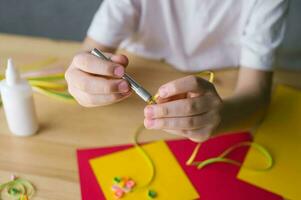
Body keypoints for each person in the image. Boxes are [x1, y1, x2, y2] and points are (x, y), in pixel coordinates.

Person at [65, 0, 288, 142]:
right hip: (125, 112)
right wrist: (83, 80)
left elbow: (257, 96)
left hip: (226, 80)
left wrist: (220, 118)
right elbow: (89, 55)